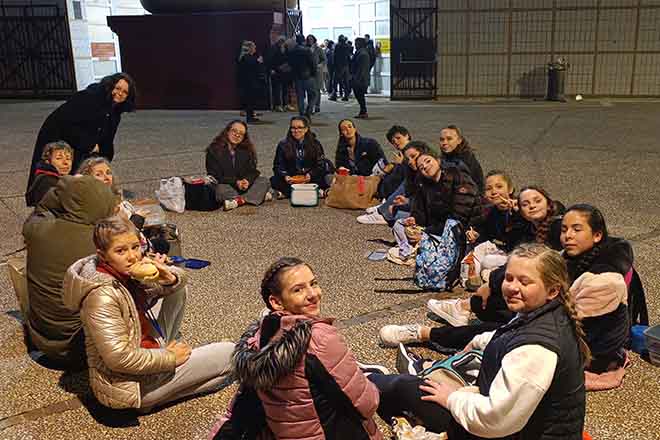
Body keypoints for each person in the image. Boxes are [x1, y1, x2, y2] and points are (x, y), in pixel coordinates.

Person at [371, 243, 589, 439]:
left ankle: (364, 379)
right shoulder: (549, 313)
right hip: (517, 424)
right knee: (408, 389)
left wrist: (452, 399)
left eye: (525, 281)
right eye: (509, 278)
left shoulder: (536, 349)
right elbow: (511, 332)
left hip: (503, 430)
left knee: (403, 389)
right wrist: (478, 341)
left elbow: (495, 420)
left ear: (552, 290)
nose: (512, 287)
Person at [63, 216, 234, 411]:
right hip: (130, 384)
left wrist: (168, 275)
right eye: (120, 251)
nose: (132, 257)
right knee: (232, 353)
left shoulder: (123, 273)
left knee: (177, 289)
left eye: (135, 247)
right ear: (103, 255)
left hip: (145, 350)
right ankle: (151, 399)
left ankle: (165, 393)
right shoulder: (101, 296)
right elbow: (119, 358)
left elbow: (173, 285)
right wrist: (170, 358)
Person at [208, 257, 382, 440]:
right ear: (276, 302)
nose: (313, 294)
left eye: (313, 284)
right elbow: (367, 404)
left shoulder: (257, 339)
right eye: (298, 290)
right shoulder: (318, 338)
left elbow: (243, 404)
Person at [379, 186, 567, 346]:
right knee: (489, 306)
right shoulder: (531, 227)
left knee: (490, 329)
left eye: (537, 201)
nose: (531, 205)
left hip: (550, 311)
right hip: (541, 299)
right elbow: (512, 247)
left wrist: (491, 283)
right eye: (525, 204)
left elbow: (523, 262)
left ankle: (423, 333)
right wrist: (511, 215)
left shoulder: (556, 229)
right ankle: (463, 307)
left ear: (548, 203)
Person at [23, 175, 119, 367]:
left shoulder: (38, 229)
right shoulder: (103, 244)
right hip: (83, 347)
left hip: (42, 339)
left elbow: (42, 208)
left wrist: (63, 189)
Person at [28, 72, 136, 192]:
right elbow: (66, 123)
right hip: (58, 135)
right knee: (56, 174)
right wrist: (90, 144)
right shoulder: (89, 97)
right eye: (117, 88)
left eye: (125, 92)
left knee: (80, 175)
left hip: (80, 141)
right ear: (109, 86)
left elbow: (107, 139)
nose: (120, 93)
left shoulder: (115, 112)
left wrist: (103, 159)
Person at [561, 204, 631, 374]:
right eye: (564, 229)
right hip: (572, 334)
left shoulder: (604, 280)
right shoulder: (568, 257)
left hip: (593, 352)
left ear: (597, 235)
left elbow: (568, 322)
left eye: (577, 229)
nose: (568, 235)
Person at [387, 149, 481, 266]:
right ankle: (410, 250)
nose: (425, 166)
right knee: (399, 224)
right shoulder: (425, 185)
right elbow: (423, 213)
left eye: (428, 161)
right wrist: (415, 219)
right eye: (421, 167)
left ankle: (421, 250)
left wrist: (426, 233)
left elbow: (458, 218)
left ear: (438, 161)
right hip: (438, 228)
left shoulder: (457, 177)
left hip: (461, 229)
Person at [205, 120, 271, 210]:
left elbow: (252, 171)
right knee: (220, 189)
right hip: (226, 184)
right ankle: (256, 197)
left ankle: (238, 201)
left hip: (243, 186)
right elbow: (215, 175)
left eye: (241, 133)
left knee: (264, 181)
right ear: (227, 131)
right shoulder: (214, 150)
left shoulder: (246, 150)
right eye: (234, 131)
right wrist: (236, 182)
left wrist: (247, 180)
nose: (237, 135)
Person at [358, 125, 413, 225]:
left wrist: (400, 164)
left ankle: (383, 213)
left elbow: (413, 174)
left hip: (415, 190)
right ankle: (386, 206)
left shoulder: (414, 151)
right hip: (407, 197)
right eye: (393, 141)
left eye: (398, 138)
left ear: (407, 136)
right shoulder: (402, 154)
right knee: (388, 174)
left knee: (403, 176)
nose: (396, 142)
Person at [270, 116, 334, 198]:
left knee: (326, 178)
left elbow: (320, 165)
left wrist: (310, 175)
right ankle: (315, 193)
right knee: (273, 180)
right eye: (293, 128)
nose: (296, 131)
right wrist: (285, 176)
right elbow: (277, 166)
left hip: (310, 178)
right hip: (292, 178)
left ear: (306, 129)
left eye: (300, 127)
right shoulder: (283, 145)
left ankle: (289, 193)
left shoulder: (315, 144)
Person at [25, 141, 73, 207]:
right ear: (47, 161)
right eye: (59, 158)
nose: (65, 162)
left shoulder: (57, 178)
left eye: (68, 158)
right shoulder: (48, 182)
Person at [439, 126, 484, 194]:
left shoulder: (467, 160)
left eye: (449, 139)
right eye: (442, 139)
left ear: (459, 140)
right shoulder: (442, 159)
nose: (444, 142)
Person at [286, 35, 317, 118]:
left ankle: (301, 114)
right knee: (313, 95)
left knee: (300, 97)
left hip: (297, 77)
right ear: (304, 41)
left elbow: (290, 64)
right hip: (308, 76)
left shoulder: (292, 51)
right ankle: (308, 111)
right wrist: (314, 74)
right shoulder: (307, 50)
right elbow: (312, 63)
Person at [237, 40, 264, 123]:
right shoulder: (246, 57)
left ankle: (251, 116)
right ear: (250, 48)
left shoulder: (250, 57)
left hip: (252, 81)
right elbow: (251, 67)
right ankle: (250, 118)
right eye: (254, 47)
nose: (255, 48)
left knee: (252, 100)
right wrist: (258, 61)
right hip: (249, 82)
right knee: (250, 100)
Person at [266, 36, 292, 113]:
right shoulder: (273, 48)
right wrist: (272, 69)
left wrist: (287, 66)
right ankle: (277, 105)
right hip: (276, 71)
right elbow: (270, 59)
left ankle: (285, 104)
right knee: (277, 90)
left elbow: (288, 58)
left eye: (283, 41)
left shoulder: (286, 48)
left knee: (285, 89)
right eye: (281, 41)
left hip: (285, 72)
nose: (282, 43)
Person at [351, 37, 372, 118]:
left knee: (359, 95)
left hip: (360, 78)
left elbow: (362, 68)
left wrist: (357, 79)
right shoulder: (360, 52)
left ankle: (363, 111)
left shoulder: (363, 54)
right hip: (359, 77)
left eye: (356, 43)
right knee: (359, 95)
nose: (355, 45)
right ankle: (363, 111)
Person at [306, 34, 326, 114]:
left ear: (314, 40)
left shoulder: (319, 49)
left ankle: (317, 106)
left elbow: (324, 60)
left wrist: (319, 65)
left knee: (317, 89)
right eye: (308, 39)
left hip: (317, 72)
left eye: (311, 39)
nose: (310, 40)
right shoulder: (306, 49)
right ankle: (310, 106)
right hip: (308, 72)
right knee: (310, 90)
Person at [330, 35, 351, 101]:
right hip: (346, 65)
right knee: (345, 81)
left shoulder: (337, 46)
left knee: (335, 81)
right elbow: (348, 56)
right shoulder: (348, 46)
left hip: (338, 66)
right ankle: (346, 95)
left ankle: (334, 95)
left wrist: (334, 65)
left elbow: (335, 56)